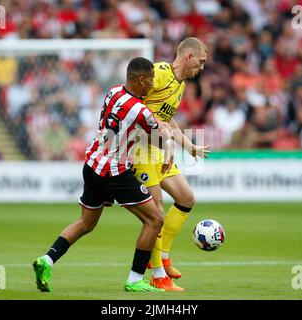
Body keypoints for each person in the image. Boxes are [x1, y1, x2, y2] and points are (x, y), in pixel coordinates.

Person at [32, 57, 175, 293]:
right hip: (115, 172)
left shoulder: (114, 92)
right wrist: (168, 143)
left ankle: (46, 260)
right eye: (150, 80)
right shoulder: (139, 110)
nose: (152, 85)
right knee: (155, 219)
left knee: (85, 223)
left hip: (93, 164)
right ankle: (136, 278)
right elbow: (157, 136)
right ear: (141, 79)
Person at [132, 37, 210, 291]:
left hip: (157, 150)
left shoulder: (181, 85)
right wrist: (157, 125)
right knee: (155, 212)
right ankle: (157, 276)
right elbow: (134, 102)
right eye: (200, 62)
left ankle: (162, 256)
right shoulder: (159, 74)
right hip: (139, 149)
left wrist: (190, 146)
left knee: (187, 198)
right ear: (188, 56)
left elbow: (169, 121)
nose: (201, 67)